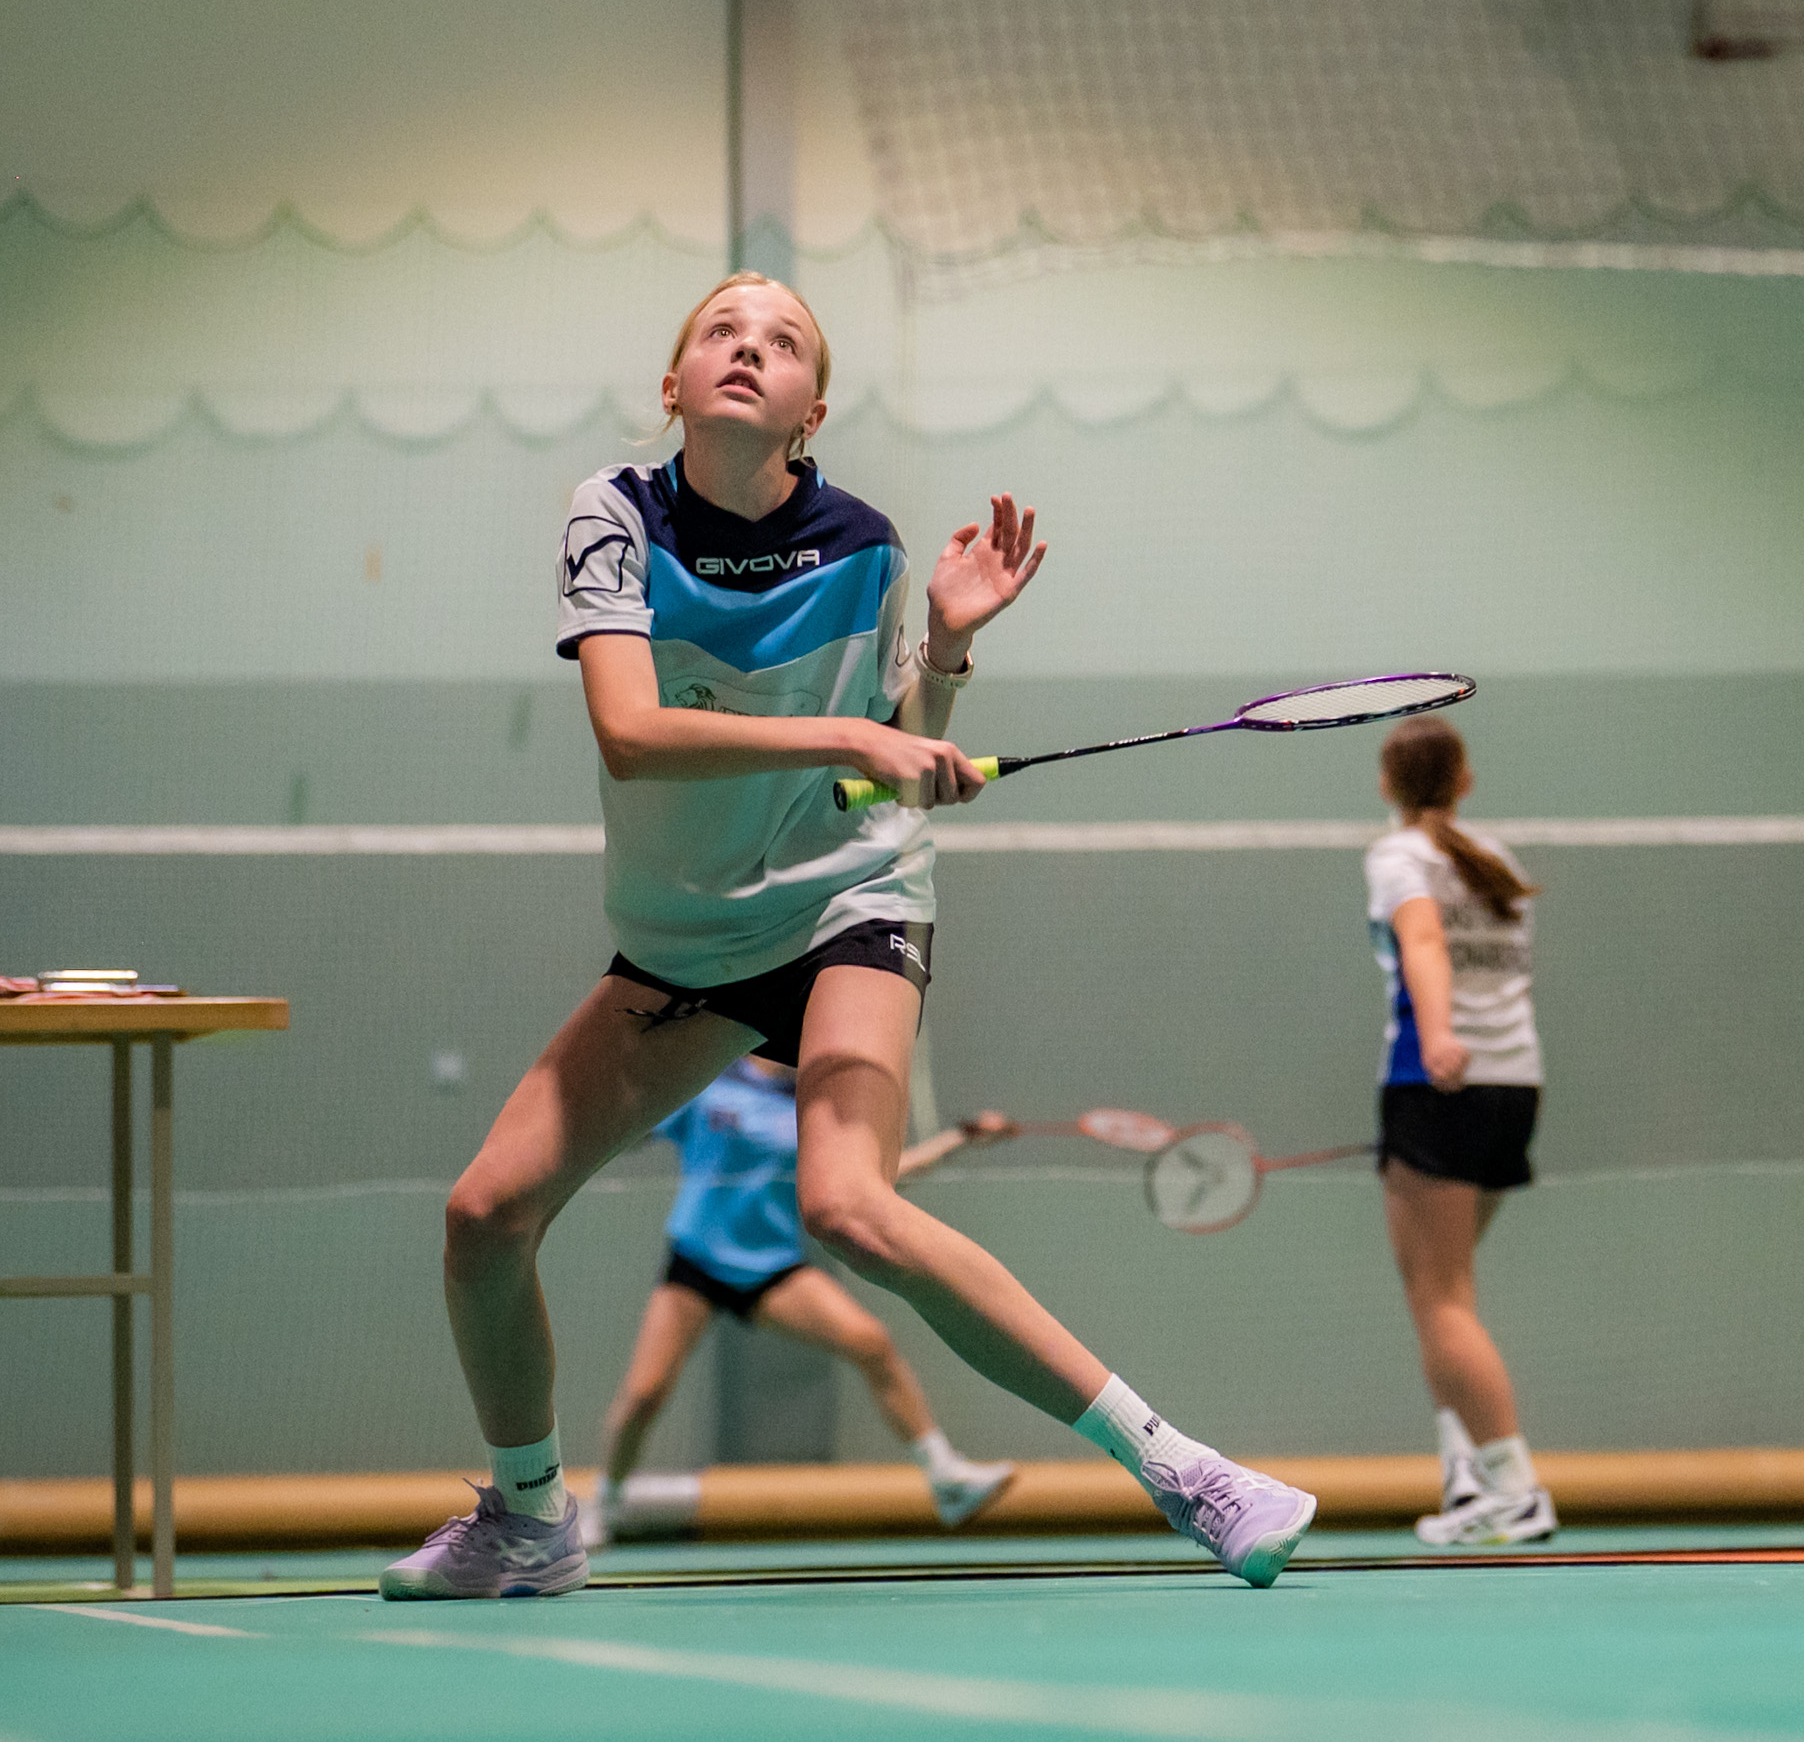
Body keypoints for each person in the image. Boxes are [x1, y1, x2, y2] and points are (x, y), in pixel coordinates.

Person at [381, 271, 1314, 1600]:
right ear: (673, 385)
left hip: (846, 899)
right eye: (720, 331)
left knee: (847, 1202)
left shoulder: (863, 544)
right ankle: (528, 1519)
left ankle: (1190, 1473)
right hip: (687, 942)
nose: (746, 349)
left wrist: (945, 650)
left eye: (781, 343)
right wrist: (858, 736)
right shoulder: (617, 513)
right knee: (485, 1214)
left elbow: (894, 758)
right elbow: (631, 733)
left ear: (810, 410)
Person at [590, 1060, 1017, 1545]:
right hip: (696, 1262)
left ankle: (946, 1479)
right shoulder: (709, 1080)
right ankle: (605, 1506)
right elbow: (628, 1127)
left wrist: (958, 1141)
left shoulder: (810, 1107)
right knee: (644, 1394)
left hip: (772, 1268)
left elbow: (875, 1184)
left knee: (871, 1343)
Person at [1366, 716, 1558, 1545]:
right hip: (1514, 1085)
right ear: (1465, 781)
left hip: (1436, 1081)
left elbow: (1422, 940)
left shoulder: (1399, 857)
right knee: (1449, 1298)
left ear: (1385, 784)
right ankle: (1470, 1484)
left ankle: (1514, 1491)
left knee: (1438, 1300)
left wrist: (1440, 1034)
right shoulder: (1494, 859)